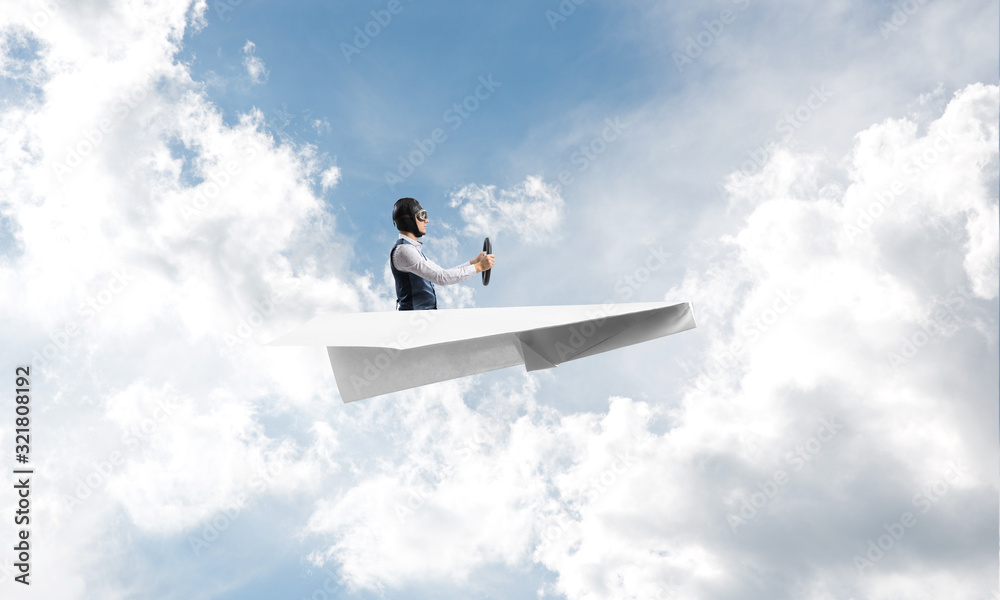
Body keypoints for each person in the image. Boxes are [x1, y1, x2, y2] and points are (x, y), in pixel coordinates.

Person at [390, 197, 495, 310]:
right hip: (414, 318)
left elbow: (442, 273)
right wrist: (479, 267)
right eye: (422, 215)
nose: (427, 220)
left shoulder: (411, 249)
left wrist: (473, 263)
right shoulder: (405, 251)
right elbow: (442, 278)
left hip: (422, 316)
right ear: (409, 220)